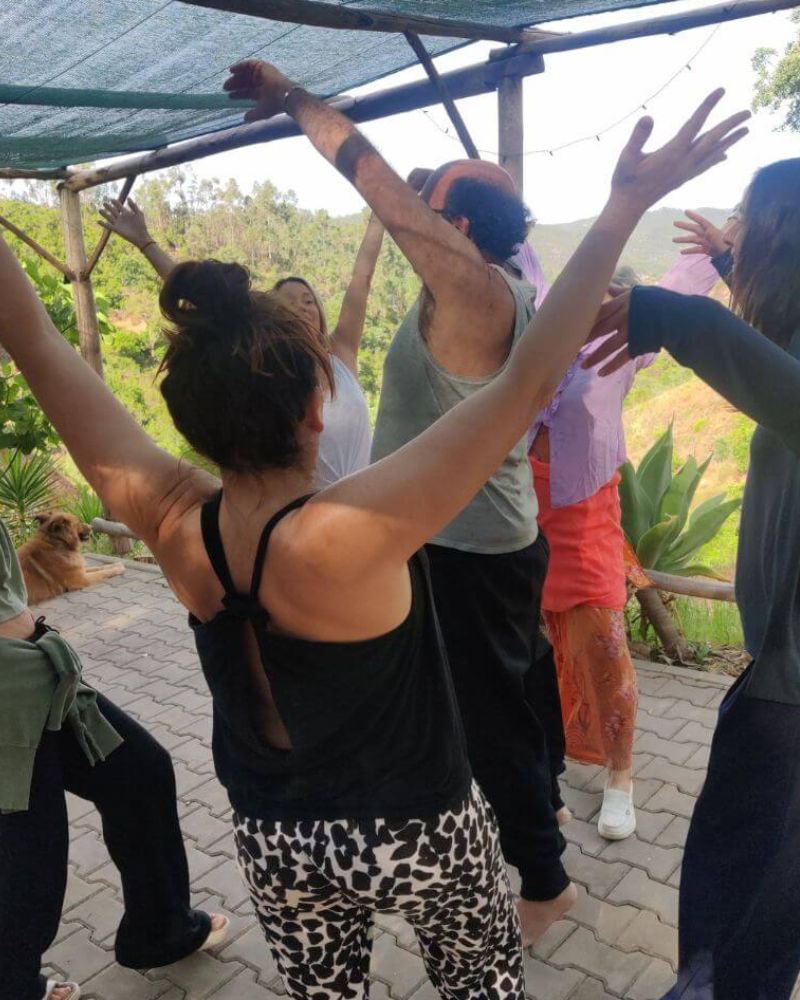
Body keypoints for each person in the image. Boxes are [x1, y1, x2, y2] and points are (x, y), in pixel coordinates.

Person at [0, 59, 747, 995]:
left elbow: (35, 344)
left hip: (274, 835)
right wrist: (623, 206)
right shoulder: (357, 528)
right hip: (419, 830)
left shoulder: (171, 520)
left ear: (189, 420)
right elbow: (528, 379)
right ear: (319, 409)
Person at [586, 157, 800, 1000]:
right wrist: (729, 265)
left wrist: (674, 312)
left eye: (749, 221)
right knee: (752, 884)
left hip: (793, 689)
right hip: (781, 670)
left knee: (744, 900)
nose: (737, 230)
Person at [521, 251, 721, 841]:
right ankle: (544, 769)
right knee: (531, 656)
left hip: (586, 520)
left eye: (612, 299)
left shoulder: (624, 350)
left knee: (606, 650)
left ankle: (620, 775)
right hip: (521, 514)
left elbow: (675, 291)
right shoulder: (539, 333)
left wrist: (719, 253)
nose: (598, 306)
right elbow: (520, 264)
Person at [0, 519, 228, 1000]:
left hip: (41, 671)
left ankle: (160, 931)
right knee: (29, 858)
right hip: (7, 700)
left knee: (139, 773)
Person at [99, 199, 383, 487]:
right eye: (289, 302)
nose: (301, 307)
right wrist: (145, 242)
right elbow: (207, 299)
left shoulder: (342, 351)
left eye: (308, 300)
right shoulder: (272, 365)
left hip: (369, 498)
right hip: (309, 508)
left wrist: (381, 210)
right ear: (276, 316)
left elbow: (361, 279)